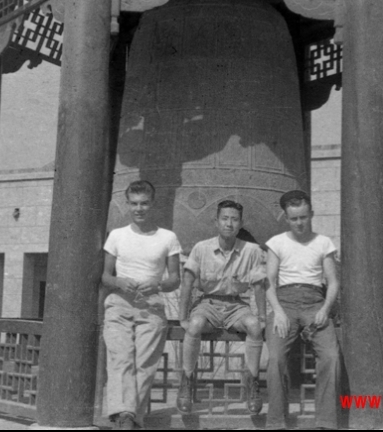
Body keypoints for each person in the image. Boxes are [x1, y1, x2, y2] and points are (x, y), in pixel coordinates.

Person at [102, 180, 182, 430]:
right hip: (119, 304)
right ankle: (128, 418)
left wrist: (157, 286)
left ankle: (126, 418)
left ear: (152, 204)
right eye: (134, 203)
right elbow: (105, 276)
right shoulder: (116, 235)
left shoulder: (168, 238)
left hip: (152, 306)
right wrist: (118, 281)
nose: (139, 208)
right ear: (128, 205)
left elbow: (174, 279)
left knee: (144, 365)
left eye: (144, 203)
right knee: (120, 360)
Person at [177, 200, 266, 415]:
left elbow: (258, 286)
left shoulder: (251, 251)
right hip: (208, 303)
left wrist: (262, 316)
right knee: (195, 325)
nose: (229, 224)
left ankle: (253, 384)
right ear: (216, 221)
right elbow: (187, 281)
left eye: (234, 219)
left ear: (240, 223)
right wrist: (182, 316)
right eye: (224, 218)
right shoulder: (201, 248)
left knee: (254, 326)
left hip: (235, 305)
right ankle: (186, 383)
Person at [265, 190, 340, 430]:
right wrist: (277, 311)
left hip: (314, 302)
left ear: (312, 215)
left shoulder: (323, 243)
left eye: (304, 217)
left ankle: (326, 422)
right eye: (294, 218)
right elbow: (268, 282)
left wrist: (325, 309)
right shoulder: (276, 243)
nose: (299, 222)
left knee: (330, 356)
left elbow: (333, 281)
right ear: (286, 218)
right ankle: (276, 422)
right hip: (283, 303)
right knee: (276, 358)